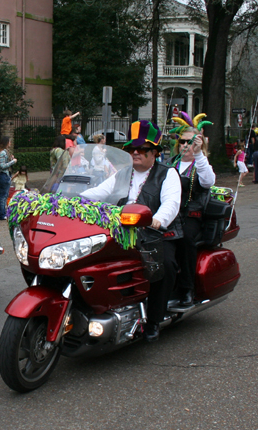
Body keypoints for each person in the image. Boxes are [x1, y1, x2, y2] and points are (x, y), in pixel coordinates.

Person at [80, 120, 181, 342]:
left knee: (164, 266)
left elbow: (171, 203)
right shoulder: (123, 173)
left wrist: (157, 220)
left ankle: (154, 320)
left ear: (154, 152)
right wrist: (71, 198)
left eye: (142, 149)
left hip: (156, 234)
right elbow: (100, 192)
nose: (135, 152)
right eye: (132, 148)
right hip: (124, 230)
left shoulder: (168, 174)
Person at [169, 127, 216, 309]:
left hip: (191, 214)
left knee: (185, 238)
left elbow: (208, 181)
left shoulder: (201, 164)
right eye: (182, 141)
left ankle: (186, 288)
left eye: (190, 142)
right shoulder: (170, 163)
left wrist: (198, 154)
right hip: (169, 213)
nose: (185, 145)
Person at [0, 136, 16, 220]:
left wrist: (10, 159)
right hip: (3, 175)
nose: (10, 143)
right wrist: (13, 162)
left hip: (5, 175)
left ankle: (2, 213)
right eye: (9, 141)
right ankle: (1, 214)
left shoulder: (4, 152)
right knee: (3, 196)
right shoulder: (2, 153)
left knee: (4, 195)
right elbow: (2, 166)